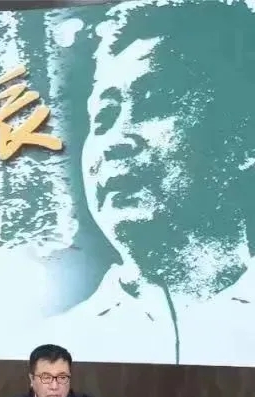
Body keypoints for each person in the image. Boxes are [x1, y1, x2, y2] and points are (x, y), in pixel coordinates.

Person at [69, 0, 255, 365]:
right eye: (104, 117)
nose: (115, 140)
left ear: (242, 136)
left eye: (154, 102)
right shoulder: (54, 344)